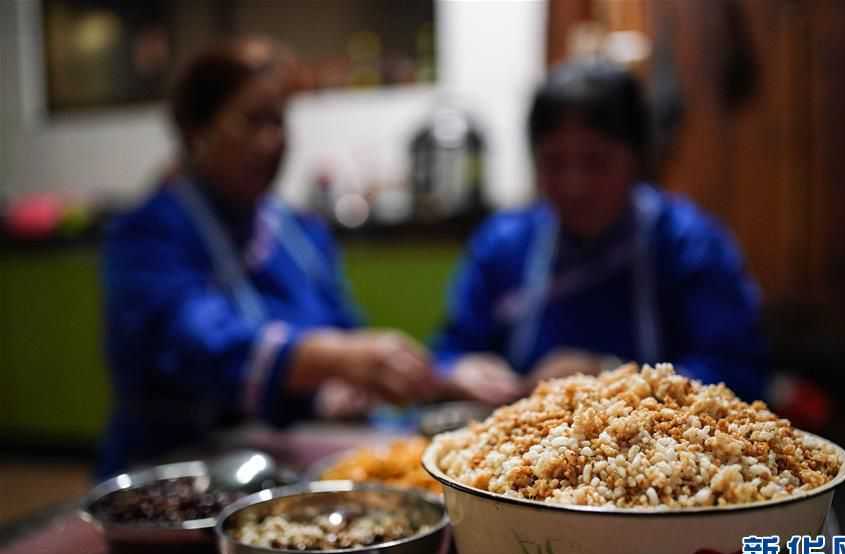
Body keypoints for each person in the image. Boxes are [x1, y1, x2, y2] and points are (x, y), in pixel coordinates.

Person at [98, 38, 436, 477]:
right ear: (196, 131)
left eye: (279, 121)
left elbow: (345, 330)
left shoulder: (299, 231)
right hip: (178, 468)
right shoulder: (148, 235)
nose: (272, 140)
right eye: (253, 121)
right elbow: (198, 344)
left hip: (286, 464)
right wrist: (334, 360)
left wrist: (356, 380)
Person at [434, 58, 766, 405]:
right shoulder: (501, 247)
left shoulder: (690, 245)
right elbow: (449, 353)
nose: (574, 184)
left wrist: (614, 378)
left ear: (637, 160)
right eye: (554, 162)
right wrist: (460, 371)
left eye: (597, 162)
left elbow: (739, 376)